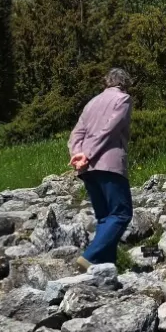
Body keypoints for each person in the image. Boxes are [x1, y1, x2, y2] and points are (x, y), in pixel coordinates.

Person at [68, 68, 134, 270]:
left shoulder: (91, 103)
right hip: (109, 164)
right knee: (121, 214)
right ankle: (90, 256)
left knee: (105, 217)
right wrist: (88, 153)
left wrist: (77, 155)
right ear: (124, 83)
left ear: (107, 82)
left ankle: (106, 265)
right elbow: (109, 130)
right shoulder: (123, 99)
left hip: (87, 168)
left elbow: (76, 134)